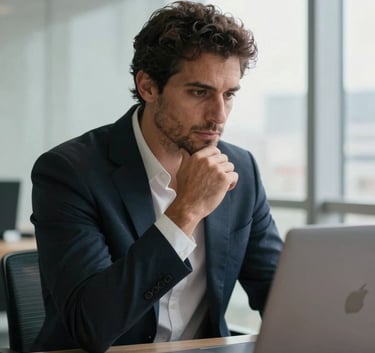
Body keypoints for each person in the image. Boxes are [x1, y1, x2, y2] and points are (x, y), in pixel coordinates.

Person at [30, 1, 283, 352]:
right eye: (199, 92)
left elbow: (280, 295)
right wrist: (187, 210)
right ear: (148, 87)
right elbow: (91, 324)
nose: (219, 115)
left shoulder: (242, 170)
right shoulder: (69, 172)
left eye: (229, 95)